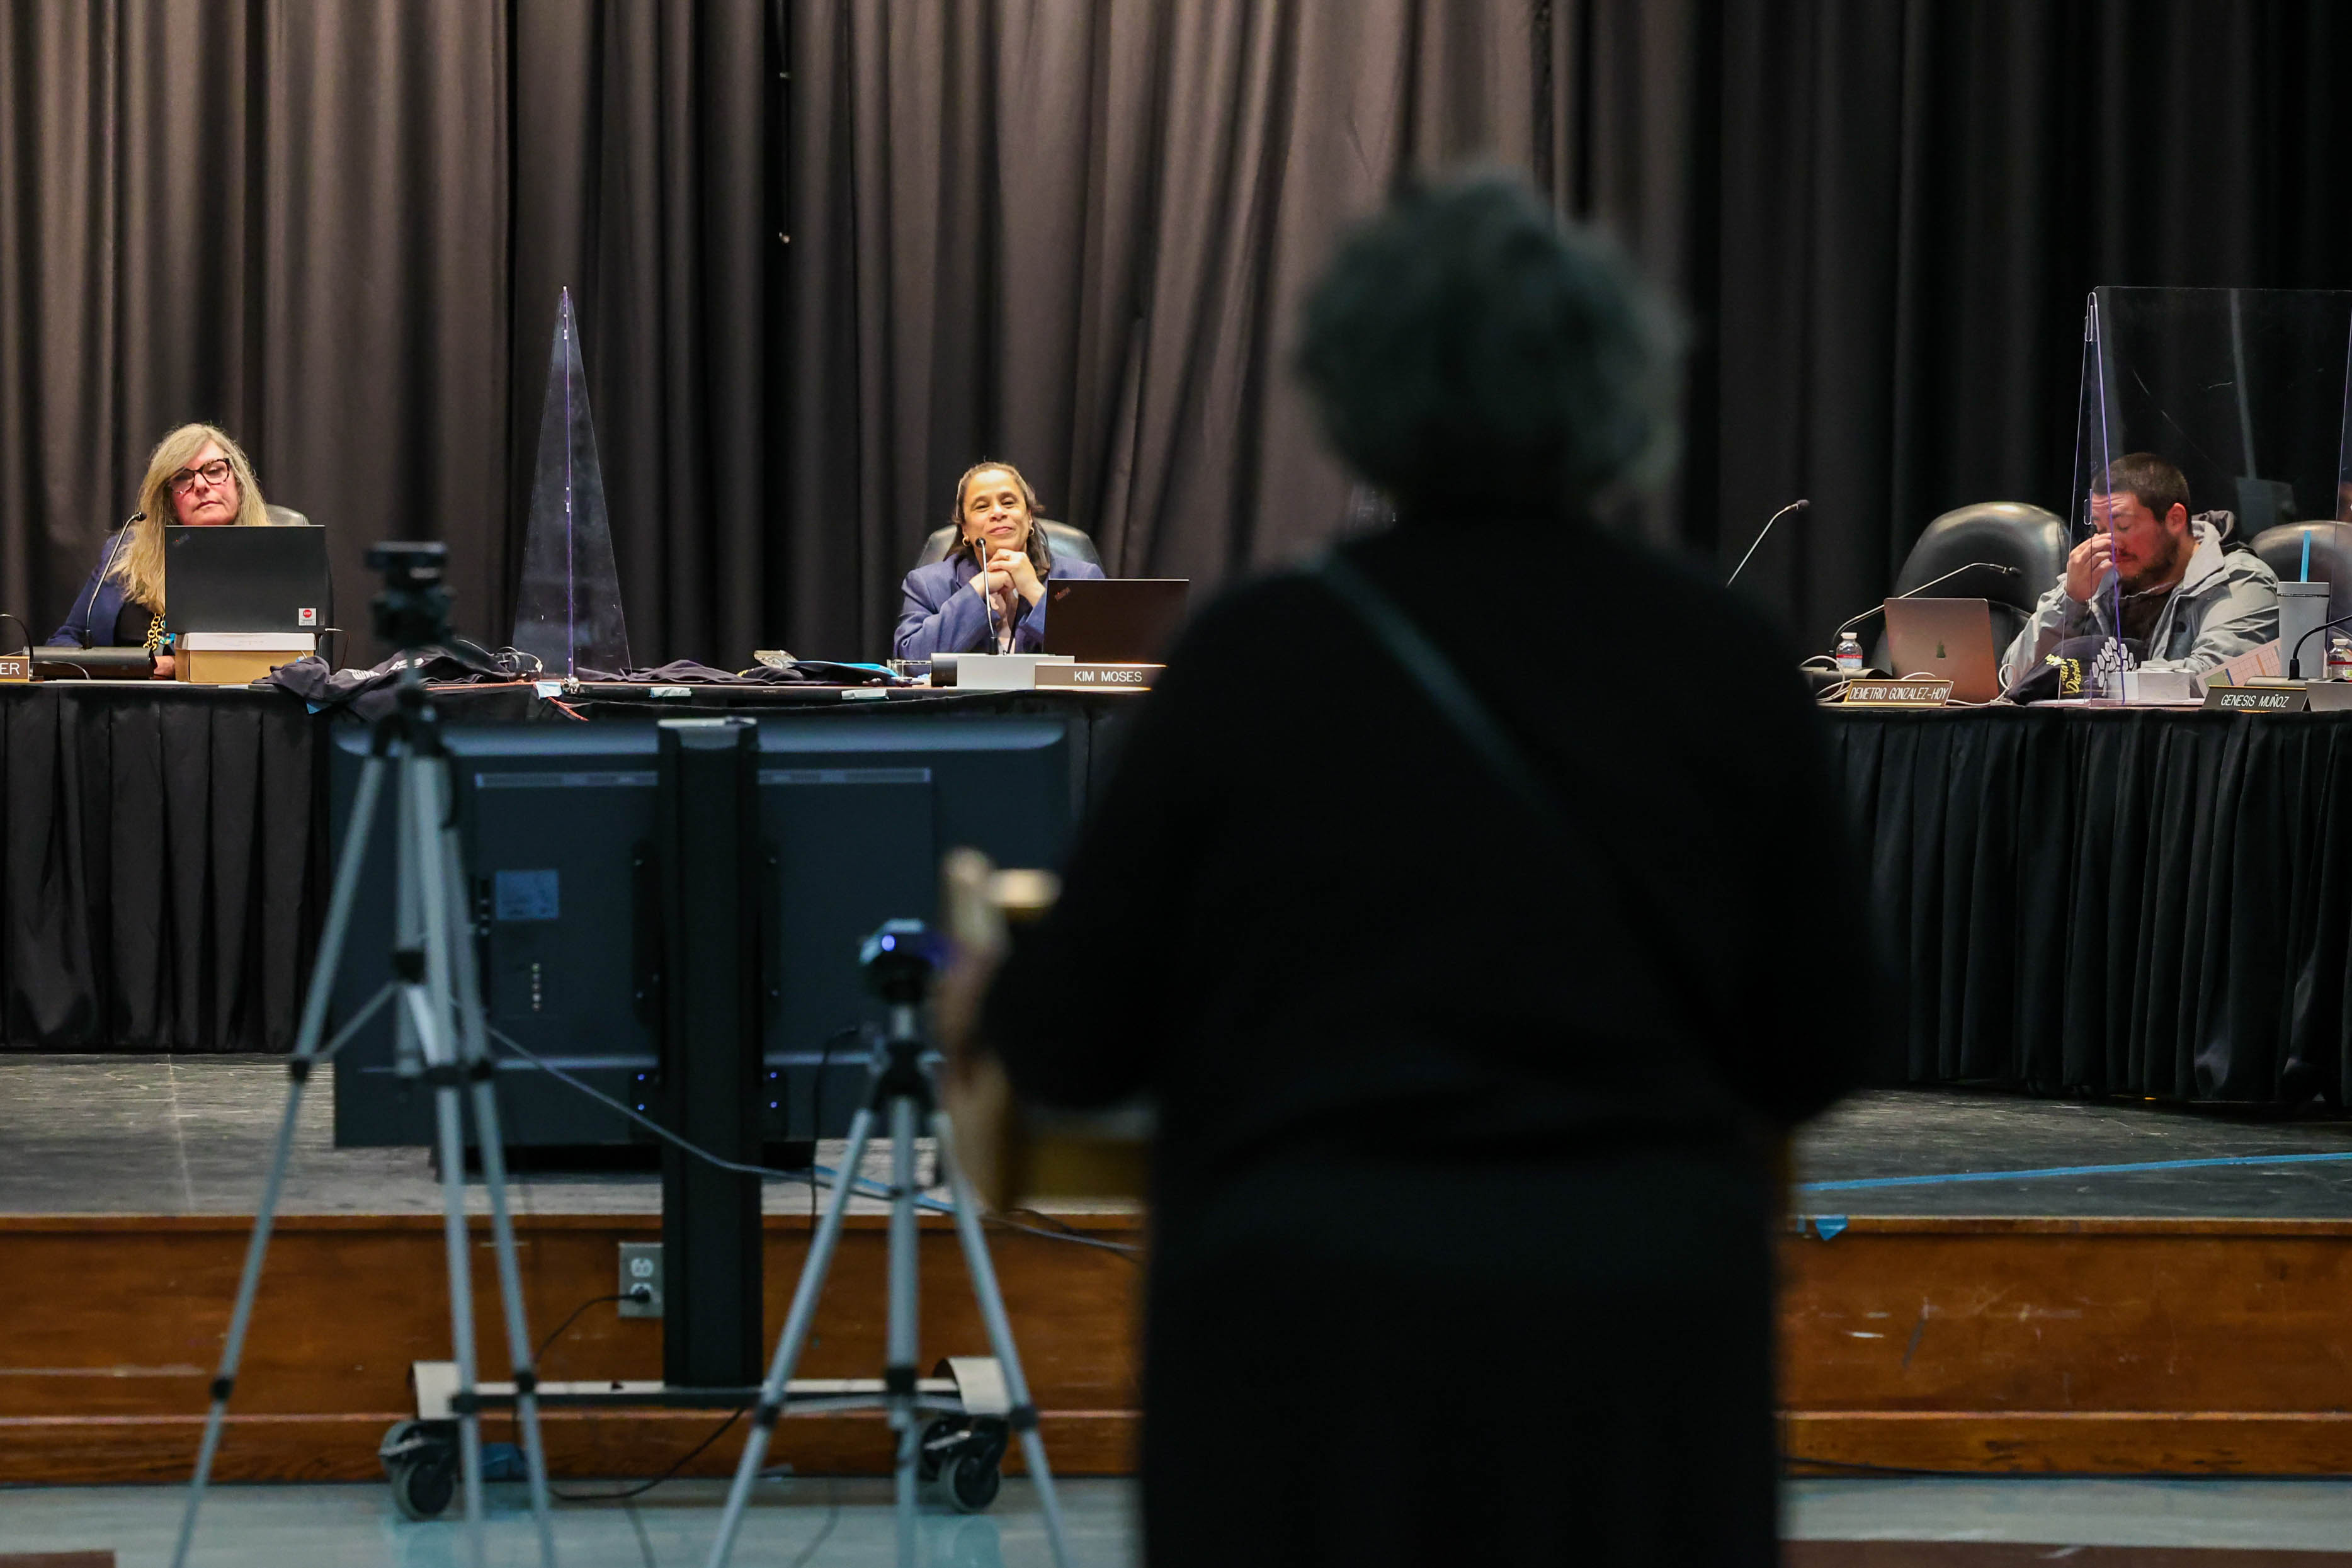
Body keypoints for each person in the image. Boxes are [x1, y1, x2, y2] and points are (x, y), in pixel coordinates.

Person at [968, 176, 1868, 1565]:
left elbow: (1074, 1045)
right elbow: (1824, 1040)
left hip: (1307, 1336)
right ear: (1614, 387)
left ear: (1353, 387)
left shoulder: (1256, 656)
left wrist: (983, 999)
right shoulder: (1721, 659)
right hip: (1632, 1335)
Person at [1997, 452, 2279, 686]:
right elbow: (2013, 678)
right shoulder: (2099, 577)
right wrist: (2070, 601)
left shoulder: (2238, 580)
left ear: (2175, 519)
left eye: (2123, 527)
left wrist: (2095, 678)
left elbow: (2215, 679)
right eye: (2100, 528)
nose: (2108, 542)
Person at [50, 423, 275, 676]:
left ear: (239, 483)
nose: (201, 485)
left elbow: (297, 662)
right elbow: (66, 641)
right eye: (183, 478)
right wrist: (129, 667)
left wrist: (182, 667)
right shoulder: (123, 554)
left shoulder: (273, 559)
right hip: (125, 706)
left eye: (214, 471)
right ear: (168, 501)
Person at [892, 462, 1104, 658]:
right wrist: (976, 590)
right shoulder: (928, 585)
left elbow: (1102, 656)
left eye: (1008, 502)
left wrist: (1035, 592)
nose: (997, 512)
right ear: (965, 529)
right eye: (982, 507)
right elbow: (910, 660)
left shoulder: (1079, 578)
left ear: (1029, 516)